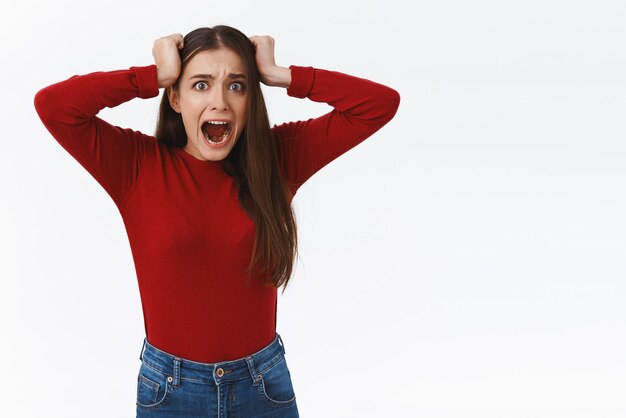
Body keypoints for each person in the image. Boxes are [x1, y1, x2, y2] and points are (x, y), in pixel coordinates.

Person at [34, 25, 400, 418]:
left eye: (237, 86)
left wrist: (280, 75)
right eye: (200, 85)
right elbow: (54, 106)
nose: (220, 102)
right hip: (171, 391)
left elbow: (379, 104)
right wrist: (151, 76)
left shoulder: (276, 160)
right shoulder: (137, 166)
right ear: (175, 97)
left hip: (262, 386)